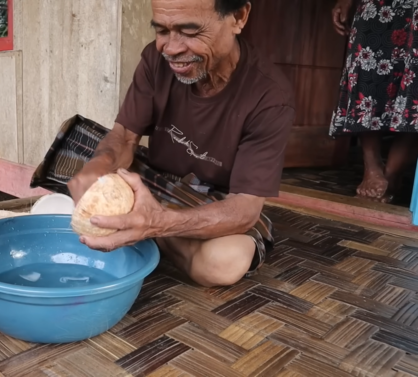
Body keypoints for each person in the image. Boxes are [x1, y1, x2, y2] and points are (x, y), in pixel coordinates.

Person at [31, 0, 295, 288]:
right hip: (152, 182)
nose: (171, 49)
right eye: (162, 31)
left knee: (223, 262)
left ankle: (140, 231)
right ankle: (139, 227)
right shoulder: (154, 60)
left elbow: (244, 209)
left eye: (190, 32)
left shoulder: (270, 96)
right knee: (75, 146)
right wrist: (100, 166)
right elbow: (125, 136)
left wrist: (156, 223)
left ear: (238, 17)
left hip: (212, 201)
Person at [330, 0, 418, 203]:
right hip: (376, 5)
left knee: (414, 85)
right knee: (366, 74)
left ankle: (392, 172)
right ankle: (372, 167)